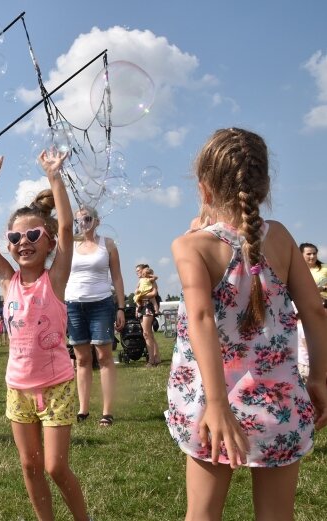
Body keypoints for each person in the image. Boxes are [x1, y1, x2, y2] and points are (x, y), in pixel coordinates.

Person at [166, 128, 327, 521]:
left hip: (209, 407)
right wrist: (320, 379)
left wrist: (218, 404)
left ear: (203, 189)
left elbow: (203, 318)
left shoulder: (190, 246)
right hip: (279, 402)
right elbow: (316, 312)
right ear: (264, 185)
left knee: (202, 514)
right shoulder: (284, 238)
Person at [0, 151, 89, 521]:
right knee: (30, 466)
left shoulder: (54, 280)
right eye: (15, 236)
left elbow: (69, 228)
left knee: (55, 466)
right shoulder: (8, 282)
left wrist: (55, 176)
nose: (23, 241)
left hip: (56, 385)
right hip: (17, 387)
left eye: (33, 234)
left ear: (50, 241)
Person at [65, 205, 126, 427]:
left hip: (101, 304)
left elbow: (117, 277)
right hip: (74, 305)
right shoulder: (69, 245)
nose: (84, 223)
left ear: (97, 221)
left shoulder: (107, 244)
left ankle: (107, 412)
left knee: (104, 357)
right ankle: (83, 409)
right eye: (79, 220)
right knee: (81, 359)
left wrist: (121, 307)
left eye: (88, 218)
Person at [134, 263, 161, 367]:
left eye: (139, 271)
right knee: (148, 334)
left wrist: (141, 295)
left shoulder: (151, 280)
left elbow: (154, 293)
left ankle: (151, 360)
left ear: (144, 270)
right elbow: (136, 294)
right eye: (136, 272)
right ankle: (156, 356)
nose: (138, 273)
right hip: (142, 307)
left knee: (146, 333)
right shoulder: (140, 281)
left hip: (148, 306)